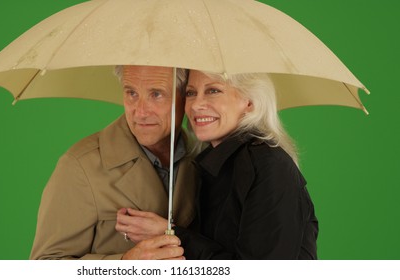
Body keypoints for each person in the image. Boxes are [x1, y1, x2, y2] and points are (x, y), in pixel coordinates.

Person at [115, 70, 319, 259]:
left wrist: (171, 233)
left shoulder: (269, 166)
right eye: (191, 93)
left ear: (249, 102)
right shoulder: (210, 163)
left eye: (213, 91)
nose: (195, 105)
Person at [30, 65, 199, 260]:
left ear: (186, 96)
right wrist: (125, 264)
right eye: (131, 93)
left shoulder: (202, 156)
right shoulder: (80, 165)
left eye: (156, 94)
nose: (141, 112)